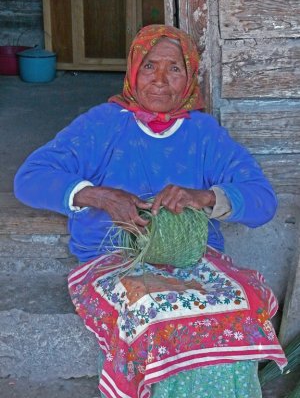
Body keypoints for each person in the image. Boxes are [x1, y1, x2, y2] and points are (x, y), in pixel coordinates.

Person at [14, 25, 286, 398]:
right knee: (154, 313)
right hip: (112, 261)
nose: (160, 80)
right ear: (133, 71)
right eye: (149, 67)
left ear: (190, 76)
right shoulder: (103, 125)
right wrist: (100, 196)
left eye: (174, 69)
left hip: (195, 259)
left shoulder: (204, 134)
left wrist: (204, 197)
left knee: (241, 310)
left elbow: (262, 201)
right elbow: (29, 178)